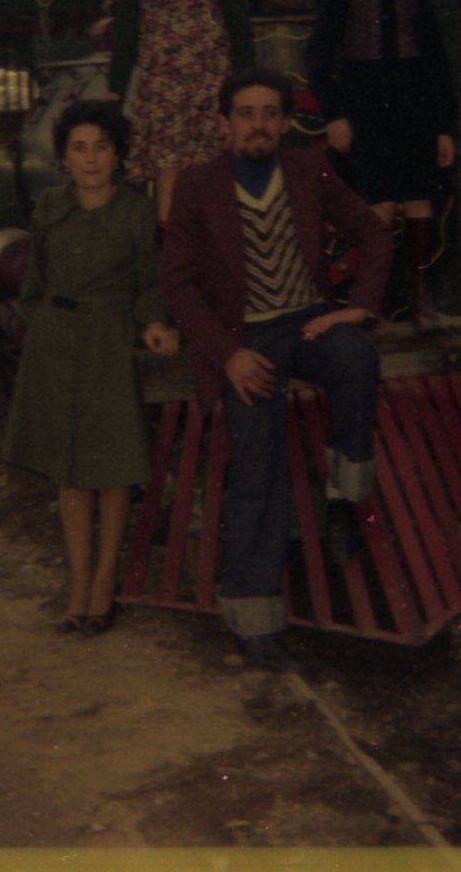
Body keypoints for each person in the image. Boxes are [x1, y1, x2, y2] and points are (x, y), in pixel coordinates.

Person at [160, 68, 393, 671]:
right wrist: (228, 355)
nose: (258, 124)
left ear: (285, 122)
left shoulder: (308, 169)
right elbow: (178, 285)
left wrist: (358, 307)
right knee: (257, 464)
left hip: (308, 324)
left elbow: (372, 231)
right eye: (245, 113)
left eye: (269, 113)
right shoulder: (197, 184)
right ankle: (254, 617)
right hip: (247, 341)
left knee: (356, 357)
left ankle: (343, 500)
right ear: (224, 123)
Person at [3, 101, 179, 637]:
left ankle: (105, 584)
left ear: (118, 155)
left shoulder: (135, 211)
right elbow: (34, 284)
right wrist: (41, 329)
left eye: (102, 147)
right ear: (64, 157)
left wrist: (153, 322)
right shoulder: (50, 207)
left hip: (109, 344)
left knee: (112, 467)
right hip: (56, 348)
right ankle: (78, 584)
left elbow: (149, 283)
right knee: (70, 470)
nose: (91, 159)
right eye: (79, 148)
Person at [304, 0, 457, 326]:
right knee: (379, 205)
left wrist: (444, 127)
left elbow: (437, 64)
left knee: (419, 201)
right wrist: (334, 114)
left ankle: (422, 299)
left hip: (415, 108)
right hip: (366, 109)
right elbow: (317, 56)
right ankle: (371, 301)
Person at [105, 0, 254, 225]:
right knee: (170, 180)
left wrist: (244, 86)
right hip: (162, 91)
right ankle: (174, 255)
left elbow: (238, 24)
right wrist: (115, 92)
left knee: (217, 176)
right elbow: (125, 33)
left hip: (211, 85)